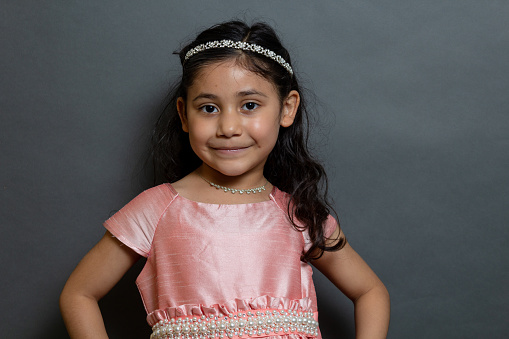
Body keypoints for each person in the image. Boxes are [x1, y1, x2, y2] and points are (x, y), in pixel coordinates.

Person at [60, 20, 390, 339]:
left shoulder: (299, 213)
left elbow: (370, 291)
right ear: (183, 113)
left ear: (287, 109)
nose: (228, 127)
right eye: (208, 108)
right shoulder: (157, 209)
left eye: (249, 105)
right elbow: (79, 294)